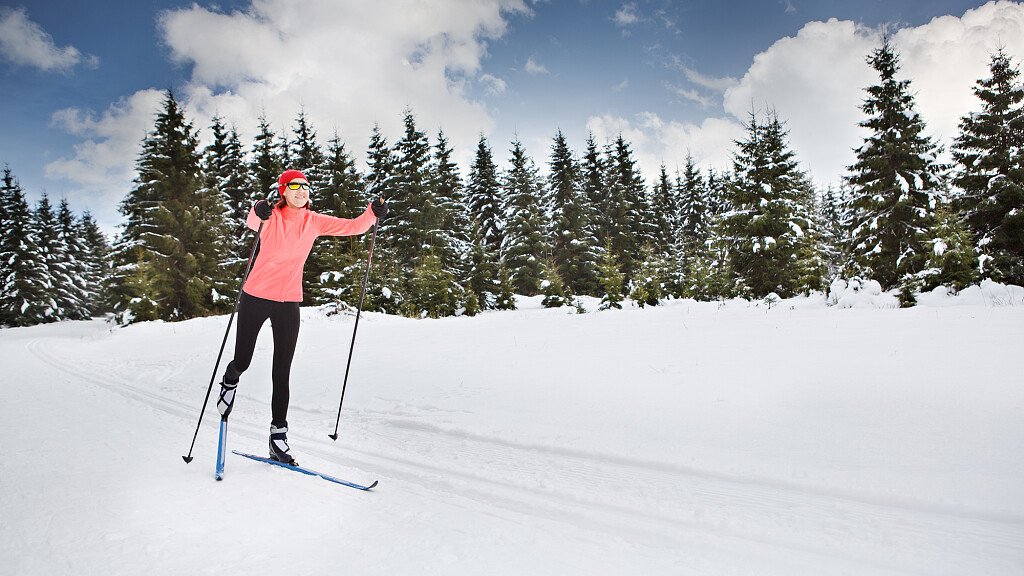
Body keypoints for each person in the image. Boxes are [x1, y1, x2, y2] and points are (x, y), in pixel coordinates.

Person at [216, 169, 388, 465]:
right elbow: (253, 219)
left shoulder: (313, 221)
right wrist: (258, 208)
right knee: (242, 360)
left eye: (306, 187)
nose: (302, 191)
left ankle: (278, 436)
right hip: (256, 296)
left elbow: (354, 227)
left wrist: (372, 213)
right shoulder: (271, 217)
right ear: (283, 191)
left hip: (288, 301)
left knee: (282, 371)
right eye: (295, 187)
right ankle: (230, 380)